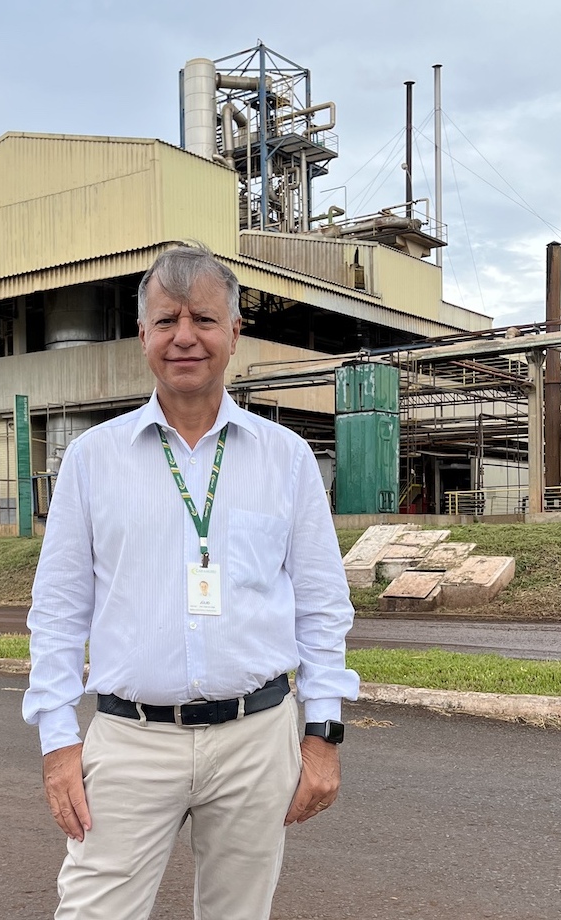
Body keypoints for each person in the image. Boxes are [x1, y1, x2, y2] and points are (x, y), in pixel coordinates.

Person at [22, 244, 360, 920]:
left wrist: (321, 734)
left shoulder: (285, 458)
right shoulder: (93, 460)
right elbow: (58, 611)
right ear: (142, 336)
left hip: (254, 736)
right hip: (130, 741)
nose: (184, 337)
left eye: (203, 319)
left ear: (234, 333)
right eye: (166, 320)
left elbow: (322, 607)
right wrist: (58, 741)